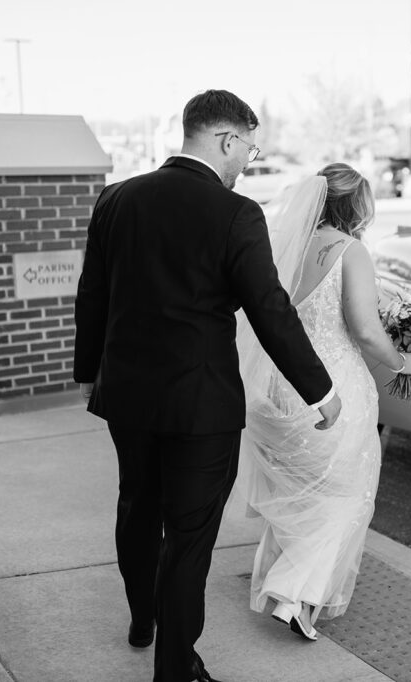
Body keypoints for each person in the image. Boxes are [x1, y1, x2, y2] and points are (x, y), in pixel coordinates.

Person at [73, 89, 342, 682]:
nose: (251, 156)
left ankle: (143, 620)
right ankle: (174, 669)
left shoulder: (117, 198)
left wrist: (90, 372)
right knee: (189, 536)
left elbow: (92, 292)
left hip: (128, 396)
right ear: (226, 139)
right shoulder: (235, 213)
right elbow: (269, 308)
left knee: (136, 508)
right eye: (250, 144)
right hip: (200, 405)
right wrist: (319, 390)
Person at [235, 162, 411, 641]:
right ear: (356, 205)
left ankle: (288, 583)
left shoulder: (284, 247)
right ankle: (293, 593)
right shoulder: (350, 251)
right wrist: (404, 363)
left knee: (298, 491)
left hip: (277, 386)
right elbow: (363, 328)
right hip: (329, 389)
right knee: (345, 494)